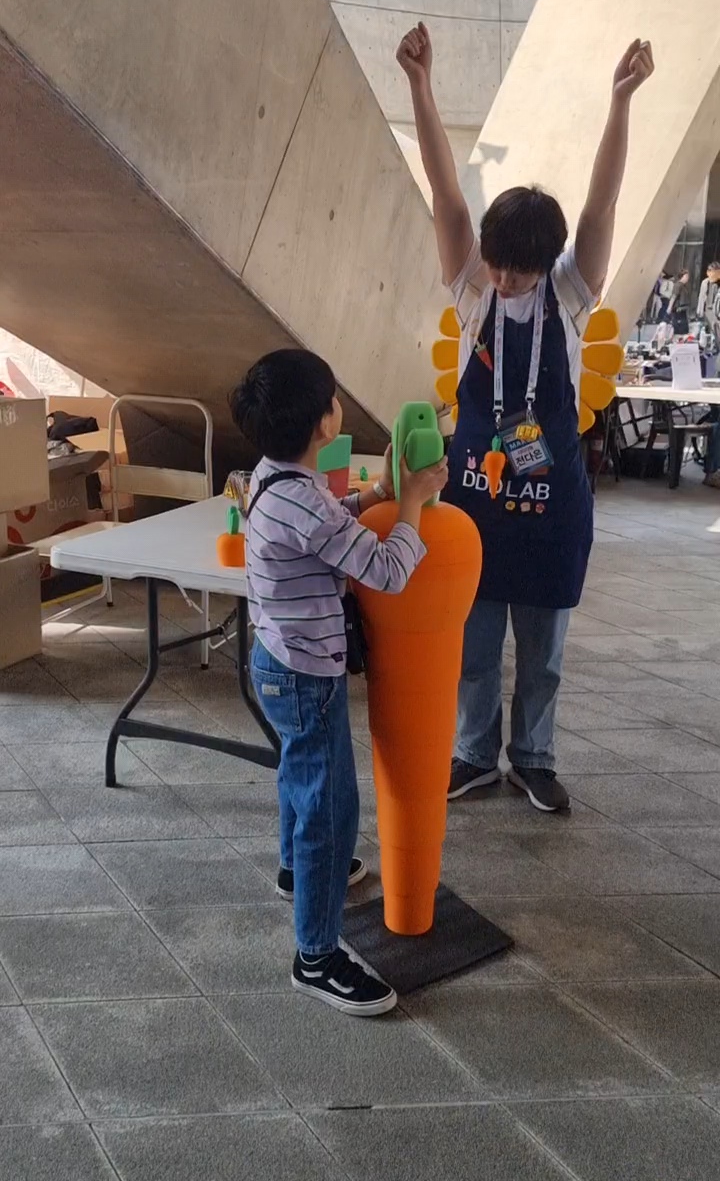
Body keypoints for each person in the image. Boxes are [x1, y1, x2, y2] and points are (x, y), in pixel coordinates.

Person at [397, 22, 654, 812]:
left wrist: (619, 101)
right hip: (475, 507)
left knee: (542, 653)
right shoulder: (474, 292)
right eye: (498, 261)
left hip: (552, 509)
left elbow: (602, 201)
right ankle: (474, 754)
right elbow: (445, 196)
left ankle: (534, 757)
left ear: (548, 263)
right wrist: (421, 88)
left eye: (520, 267)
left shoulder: (570, 298)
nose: (505, 278)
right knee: (474, 649)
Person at [230, 349, 447, 1015]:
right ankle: (317, 957)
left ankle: (298, 872)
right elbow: (383, 569)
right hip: (305, 674)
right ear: (324, 423)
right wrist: (411, 505)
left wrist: (377, 496)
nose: (338, 404)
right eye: (333, 397)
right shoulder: (300, 495)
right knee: (331, 809)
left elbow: (325, 523)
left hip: (277, 660)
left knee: (302, 776)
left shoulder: (278, 479)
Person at [668, 268, 691, 335]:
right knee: (679, 327)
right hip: (678, 309)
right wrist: (669, 307)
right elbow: (674, 296)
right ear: (682, 276)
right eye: (686, 276)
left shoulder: (684, 286)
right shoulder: (678, 285)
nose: (687, 278)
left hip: (683, 309)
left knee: (684, 327)